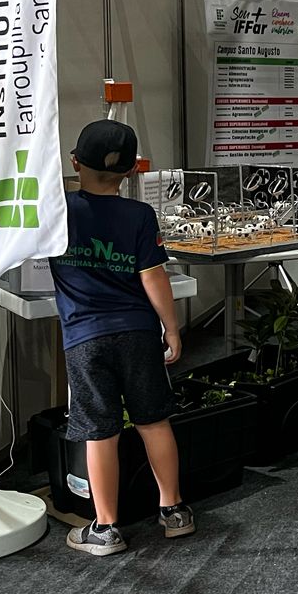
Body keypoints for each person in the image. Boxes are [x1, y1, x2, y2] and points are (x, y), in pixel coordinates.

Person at [50, 120, 194, 556]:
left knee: (100, 432)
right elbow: (154, 277)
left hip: (84, 338)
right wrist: (171, 327)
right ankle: (174, 511)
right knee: (154, 420)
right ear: (132, 170)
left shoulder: (56, 211)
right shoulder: (140, 215)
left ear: (75, 162)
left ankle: (106, 528)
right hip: (138, 333)